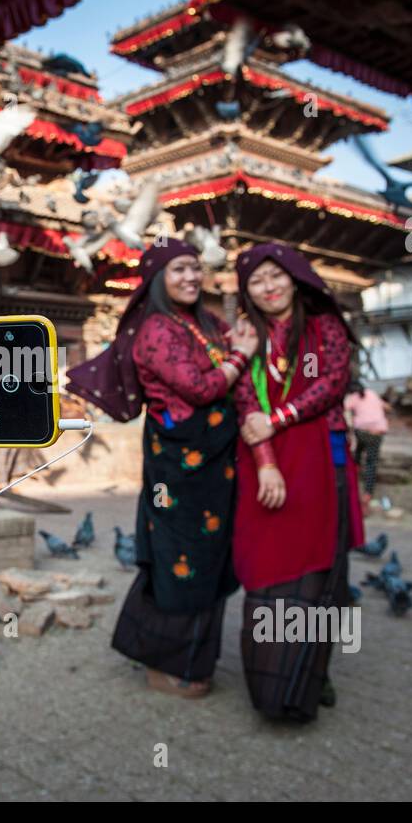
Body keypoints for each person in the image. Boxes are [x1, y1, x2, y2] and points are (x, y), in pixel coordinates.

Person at [67, 239, 257, 698]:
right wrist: (240, 356)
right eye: (178, 270)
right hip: (180, 468)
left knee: (210, 560)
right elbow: (200, 387)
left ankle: (192, 660)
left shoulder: (206, 322)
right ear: (156, 279)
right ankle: (163, 662)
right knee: (180, 563)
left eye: (196, 268)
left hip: (217, 464)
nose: (191, 277)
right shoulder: (155, 330)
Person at [231, 244, 365, 722]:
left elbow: (330, 383)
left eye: (275, 276)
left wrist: (280, 416)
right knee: (271, 562)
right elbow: (245, 399)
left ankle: (314, 669)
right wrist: (266, 459)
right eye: (255, 282)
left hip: (322, 460)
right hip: (266, 462)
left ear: (293, 276)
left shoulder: (323, 325)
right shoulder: (246, 335)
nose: (268, 288)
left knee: (325, 570)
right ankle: (278, 671)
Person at [344, 380, 392, 506]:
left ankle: (354, 475)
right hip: (377, 431)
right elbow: (387, 407)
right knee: (372, 462)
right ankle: (368, 493)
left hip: (362, 431)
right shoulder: (372, 393)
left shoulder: (353, 398)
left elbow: (343, 409)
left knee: (357, 453)